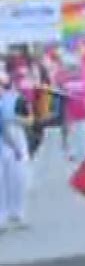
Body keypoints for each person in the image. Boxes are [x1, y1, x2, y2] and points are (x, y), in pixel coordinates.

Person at [0, 71, 31, 230]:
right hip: (6, 141)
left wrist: (15, 119)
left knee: (17, 178)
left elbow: (29, 120)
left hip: (16, 138)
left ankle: (17, 213)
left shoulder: (17, 99)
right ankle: (2, 216)